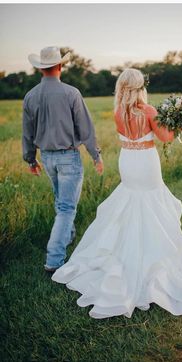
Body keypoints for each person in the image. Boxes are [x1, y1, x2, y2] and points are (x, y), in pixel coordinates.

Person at [52, 68, 182, 319]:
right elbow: (165, 138)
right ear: (140, 86)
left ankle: (122, 256)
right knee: (151, 204)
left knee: (131, 202)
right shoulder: (149, 111)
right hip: (145, 162)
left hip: (128, 162)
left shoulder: (118, 112)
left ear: (122, 87)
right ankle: (152, 266)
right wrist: (181, 126)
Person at [22, 46, 104, 272]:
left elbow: (27, 133)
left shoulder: (30, 96)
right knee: (67, 208)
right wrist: (96, 155)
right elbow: (85, 128)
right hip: (68, 156)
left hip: (46, 158)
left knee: (62, 203)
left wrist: (31, 160)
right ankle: (54, 260)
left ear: (41, 69)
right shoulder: (71, 93)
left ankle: (67, 238)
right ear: (60, 66)